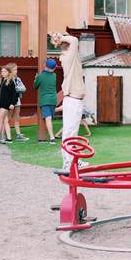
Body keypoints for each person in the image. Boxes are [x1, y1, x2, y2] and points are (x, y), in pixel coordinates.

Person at [50, 32, 88, 169]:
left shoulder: (68, 56)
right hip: (73, 100)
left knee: (73, 132)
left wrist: (58, 38)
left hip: (74, 100)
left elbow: (72, 41)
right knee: (69, 133)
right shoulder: (69, 56)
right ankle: (67, 163)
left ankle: (74, 160)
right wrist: (59, 37)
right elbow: (74, 40)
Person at [34, 58, 58, 144]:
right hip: (53, 99)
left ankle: (52, 138)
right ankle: (52, 135)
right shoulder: (54, 75)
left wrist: (36, 78)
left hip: (45, 100)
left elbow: (35, 86)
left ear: (45, 65)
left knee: (48, 118)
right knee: (50, 118)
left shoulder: (40, 76)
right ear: (54, 68)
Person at [7, 63, 29, 141]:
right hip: (9, 101)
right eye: (15, 69)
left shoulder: (18, 79)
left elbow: (24, 88)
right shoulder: (7, 79)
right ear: (10, 71)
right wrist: (15, 88)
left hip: (17, 100)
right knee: (8, 118)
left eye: (16, 69)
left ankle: (18, 134)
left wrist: (16, 88)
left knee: (16, 118)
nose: (16, 71)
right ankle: (6, 134)